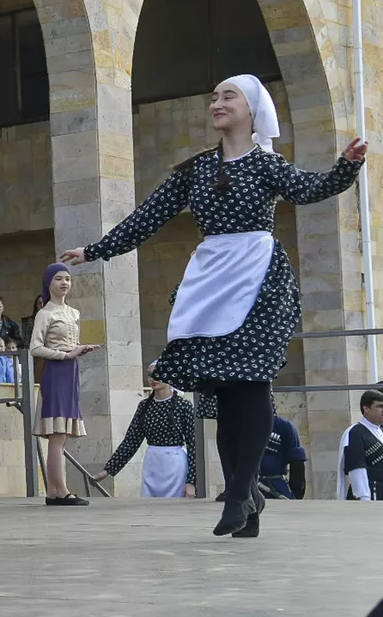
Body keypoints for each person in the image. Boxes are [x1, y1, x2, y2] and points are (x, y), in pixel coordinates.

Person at [62, 74, 365, 534]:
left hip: (260, 278)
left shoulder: (268, 164)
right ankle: (244, 499)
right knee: (220, 392)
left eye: (228, 96)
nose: (216, 103)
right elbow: (149, 215)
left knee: (252, 384)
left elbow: (311, 189)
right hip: (211, 278)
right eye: (214, 97)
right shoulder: (196, 168)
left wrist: (345, 167)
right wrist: (95, 250)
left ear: (252, 109)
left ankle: (240, 493)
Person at [30, 264, 100, 505]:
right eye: (58, 279)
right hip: (56, 372)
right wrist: (65, 354)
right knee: (57, 435)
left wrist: (80, 350)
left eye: (68, 279)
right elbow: (35, 348)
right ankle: (61, 491)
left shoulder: (74, 313)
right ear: (49, 283)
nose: (64, 283)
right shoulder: (44, 313)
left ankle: (53, 491)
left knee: (63, 435)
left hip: (71, 372)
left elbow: (72, 345)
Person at [92, 364, 197, 498]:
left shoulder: (184, 406)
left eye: (158, 374)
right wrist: (108, 471)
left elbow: (194, 445)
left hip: (175, 464)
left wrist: (191, 482)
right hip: (152, 463)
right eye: (150, 374)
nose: (153, 378)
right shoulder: (144, 406)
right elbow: (131, 441)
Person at [337, 389, 383, 501]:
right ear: (366, 408)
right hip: (371, 495)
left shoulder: (379, 431)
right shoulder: (355, 432)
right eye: (380, 406)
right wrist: (364, 498)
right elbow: (356, 468)